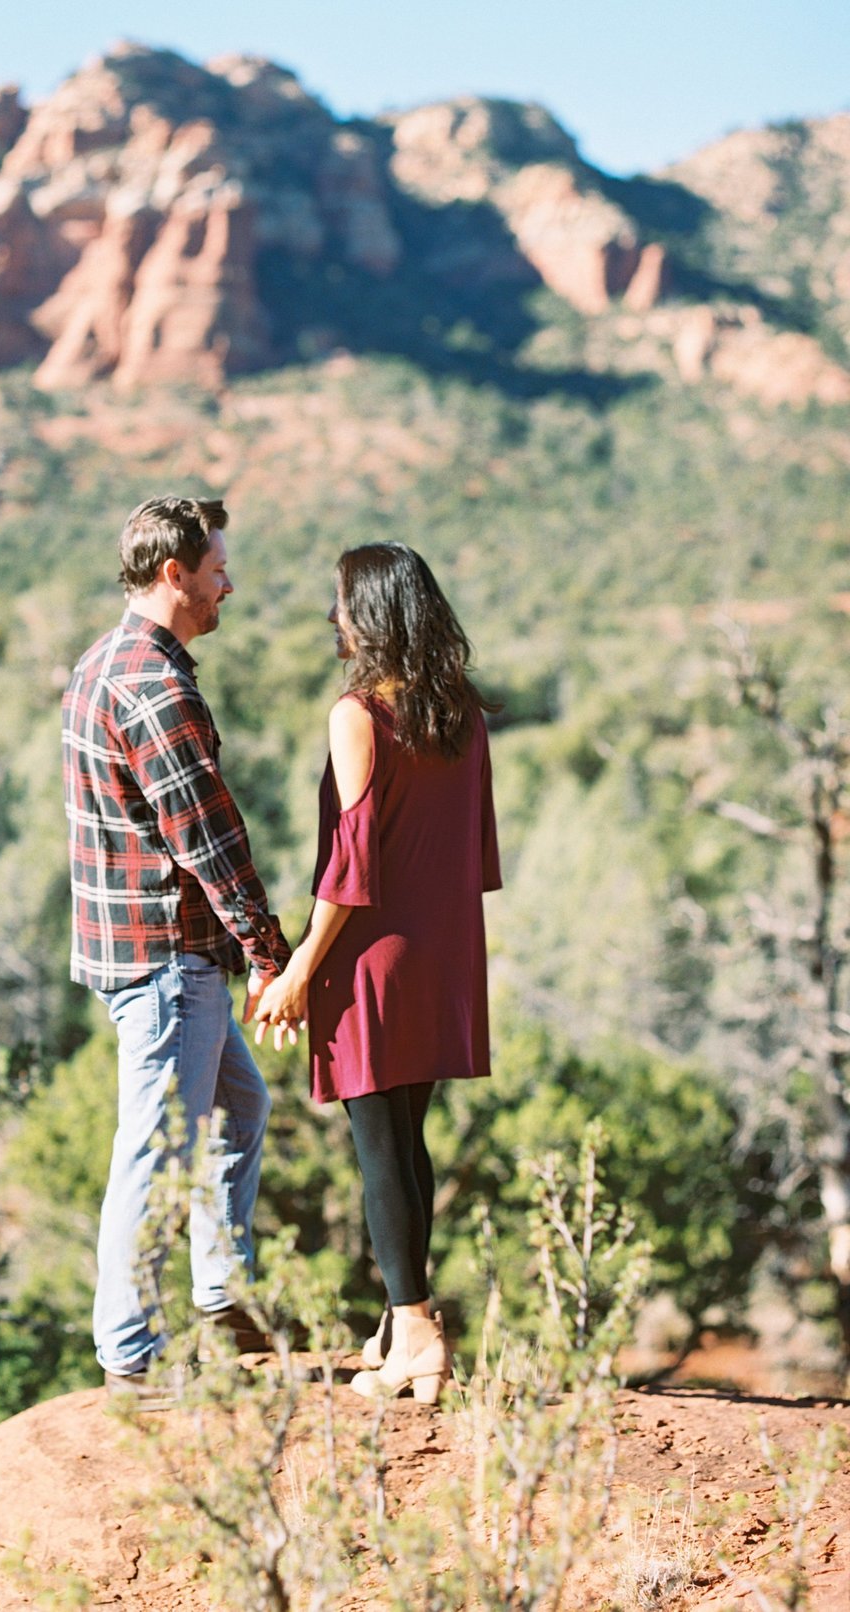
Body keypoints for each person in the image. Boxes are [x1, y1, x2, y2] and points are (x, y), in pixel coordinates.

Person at [255, 542, 501, 1402]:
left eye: (343, 603)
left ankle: (420, 1334)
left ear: (375, 614)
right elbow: (476, 853)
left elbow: (349, 868)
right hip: (446, 953)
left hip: (372, 957)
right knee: (406, 1142)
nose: (334, 618)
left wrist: (295, 973)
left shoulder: (358, 715)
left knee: (378, 1150)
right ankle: (401, 1325)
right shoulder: (464, 715)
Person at [62, 495, 291, 1405]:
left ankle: (222, 1301)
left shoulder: (102, 662)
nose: (228, 583)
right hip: (167, 958)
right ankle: (130, 1353)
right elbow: (207, 837)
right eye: (218, 570)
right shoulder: (156, 687)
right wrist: (269, 950)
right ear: (175, 575)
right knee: (154, 1152)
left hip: (141, 952)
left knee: (241, 1106)